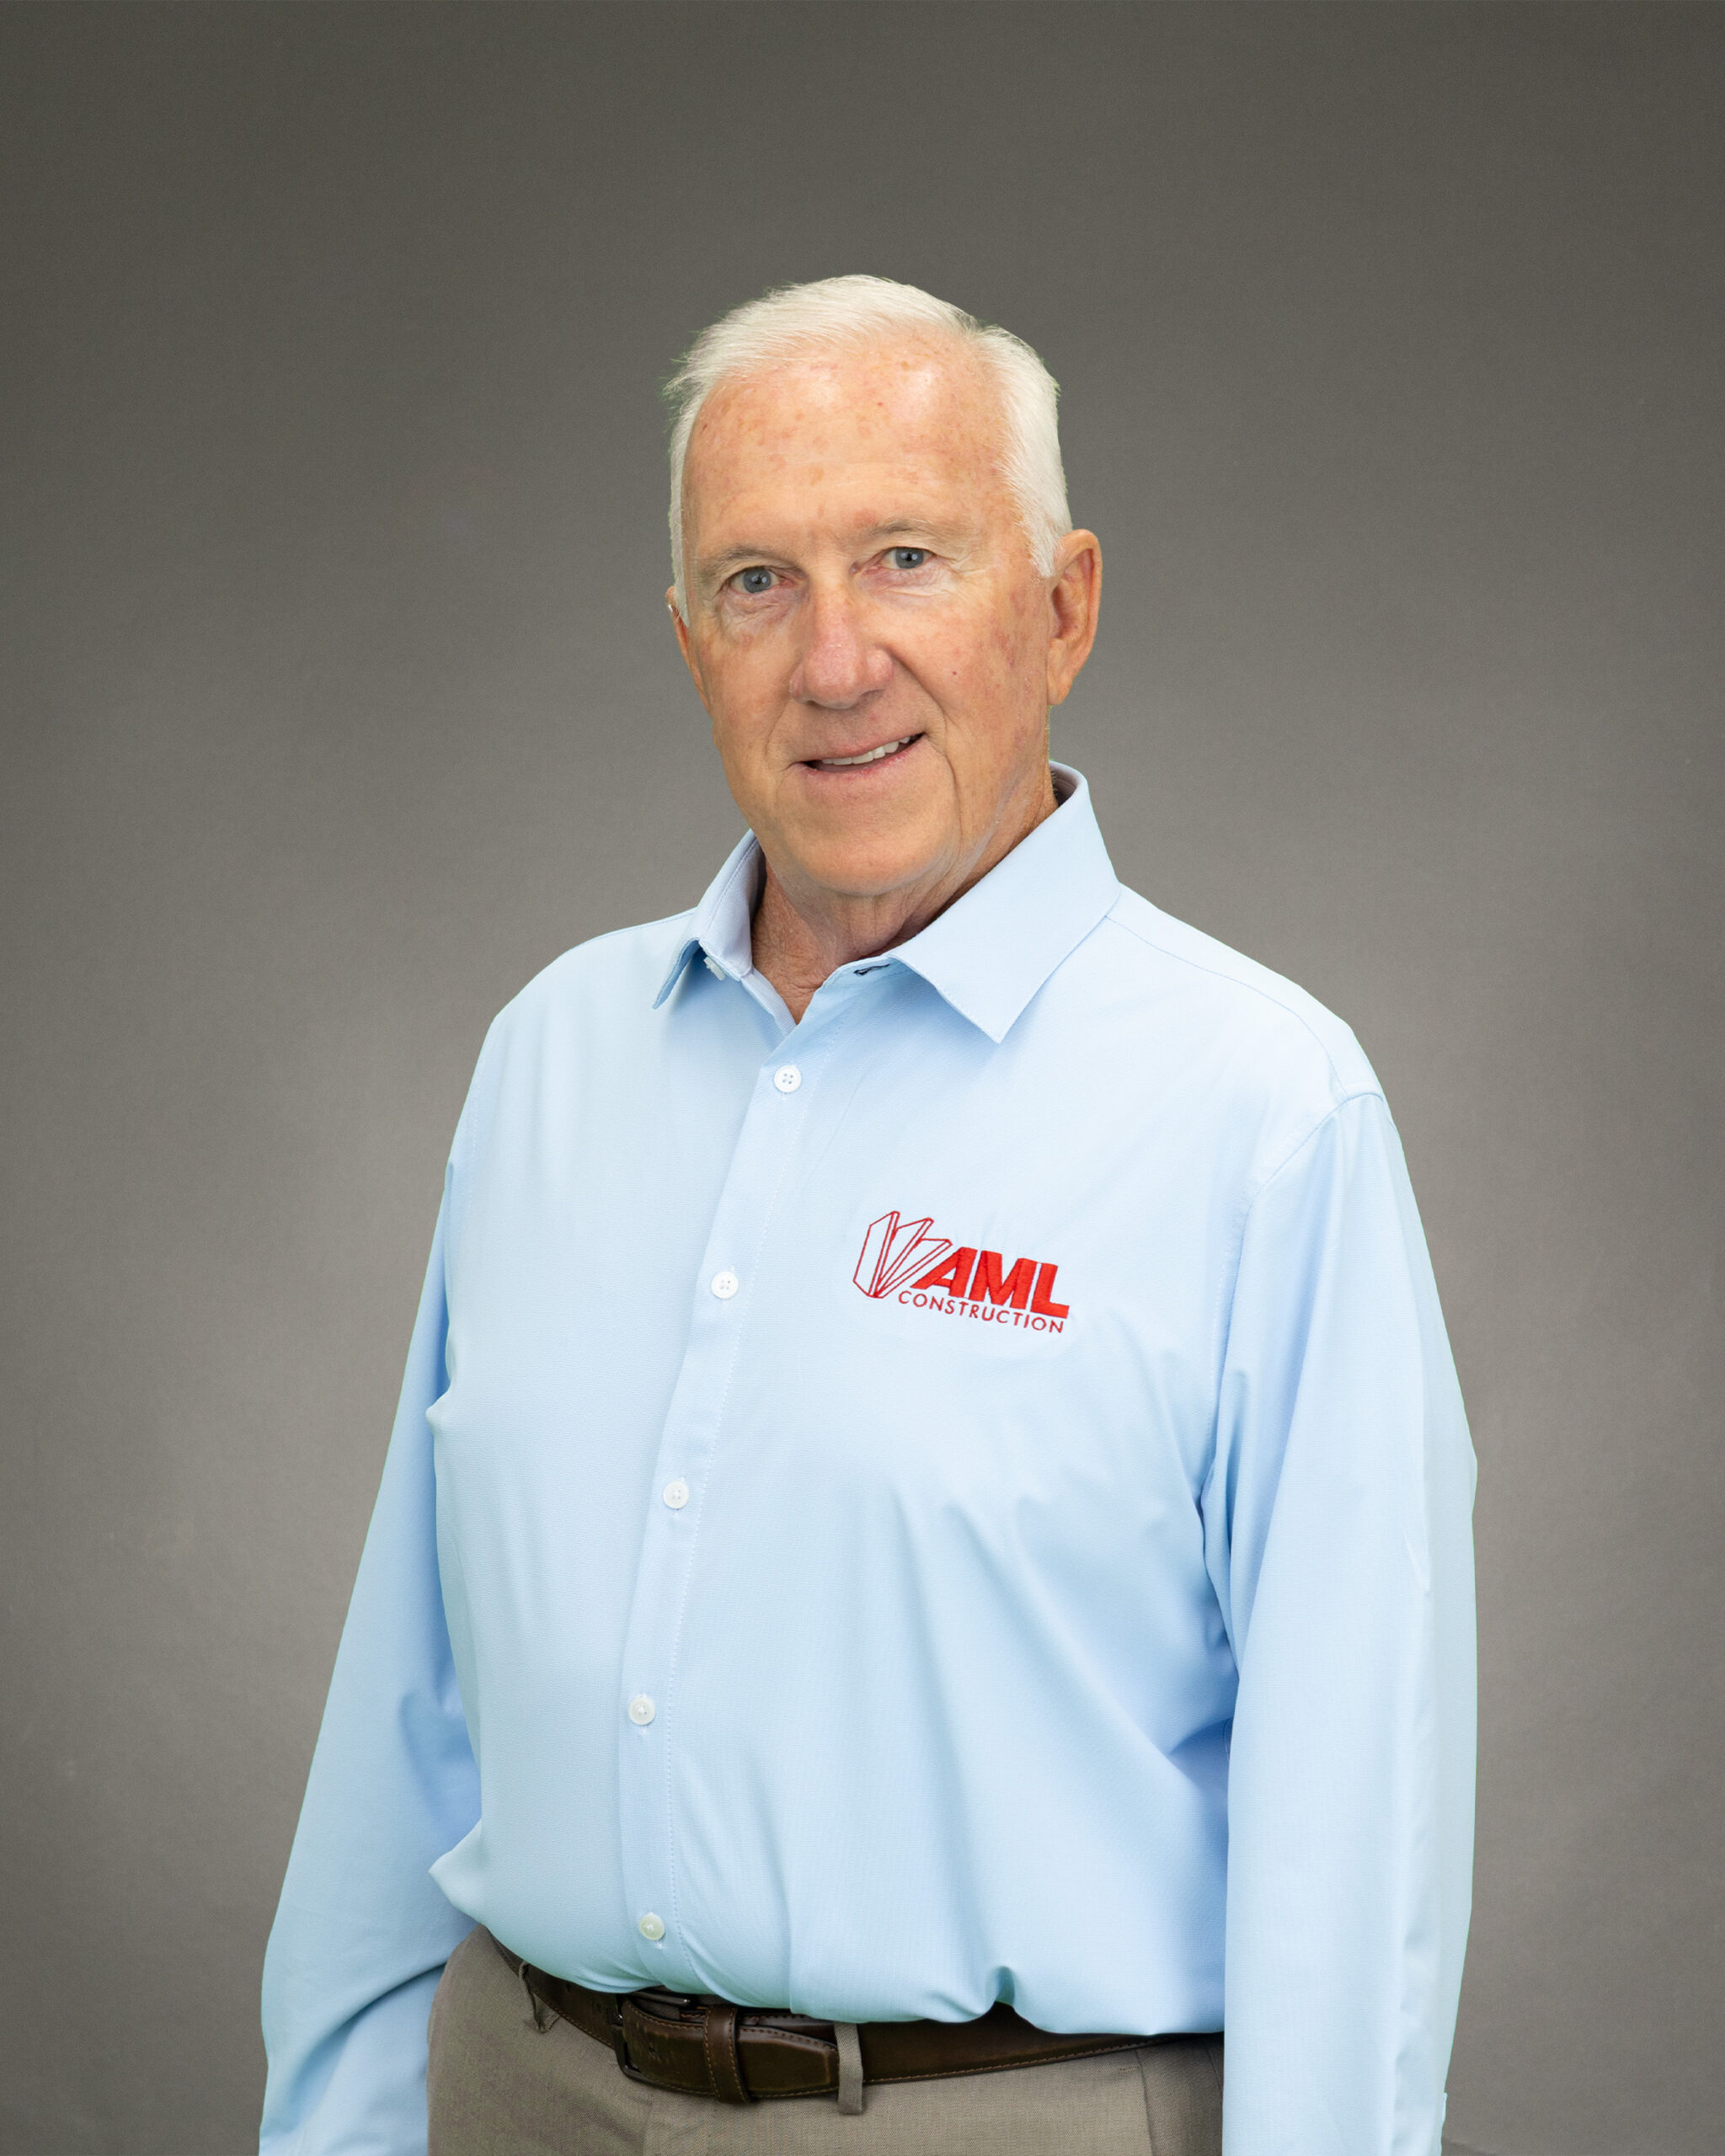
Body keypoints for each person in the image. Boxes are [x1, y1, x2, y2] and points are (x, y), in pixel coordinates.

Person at [259, 275, 1476, 2156]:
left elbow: (1356, 1823)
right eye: (758, 582)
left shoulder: (1262, 1111)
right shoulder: (550, 1056)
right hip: (520, 2095)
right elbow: (404, 1704)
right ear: (689, 644)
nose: (834, 662)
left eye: (906, 558)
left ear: (1061, 607)